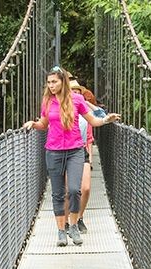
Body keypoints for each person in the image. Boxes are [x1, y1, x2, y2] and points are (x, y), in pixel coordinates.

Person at [21, 66, 119, 246]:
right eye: (49, 82)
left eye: (54, 82)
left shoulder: (77, 99)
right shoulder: (47, 102)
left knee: (74, 190)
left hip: (75, 150)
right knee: (58, 193)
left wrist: (106, 120)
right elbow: (44, 123)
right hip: (54, 151)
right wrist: (33, 124)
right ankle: (60, 232)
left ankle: (73, 226)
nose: (51, 85)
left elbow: (92, 120)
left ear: (63, 82)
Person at [66, 78, 105, 234]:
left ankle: (79, 218)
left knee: (86, 188)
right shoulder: (63, 109)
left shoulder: (85, 110)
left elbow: (101, 115)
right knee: (70, 190)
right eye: (72, 91)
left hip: (82, 151)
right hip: (66, 151)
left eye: (78, 92)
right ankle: (68, 222)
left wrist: (85, 102)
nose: (76, 93)